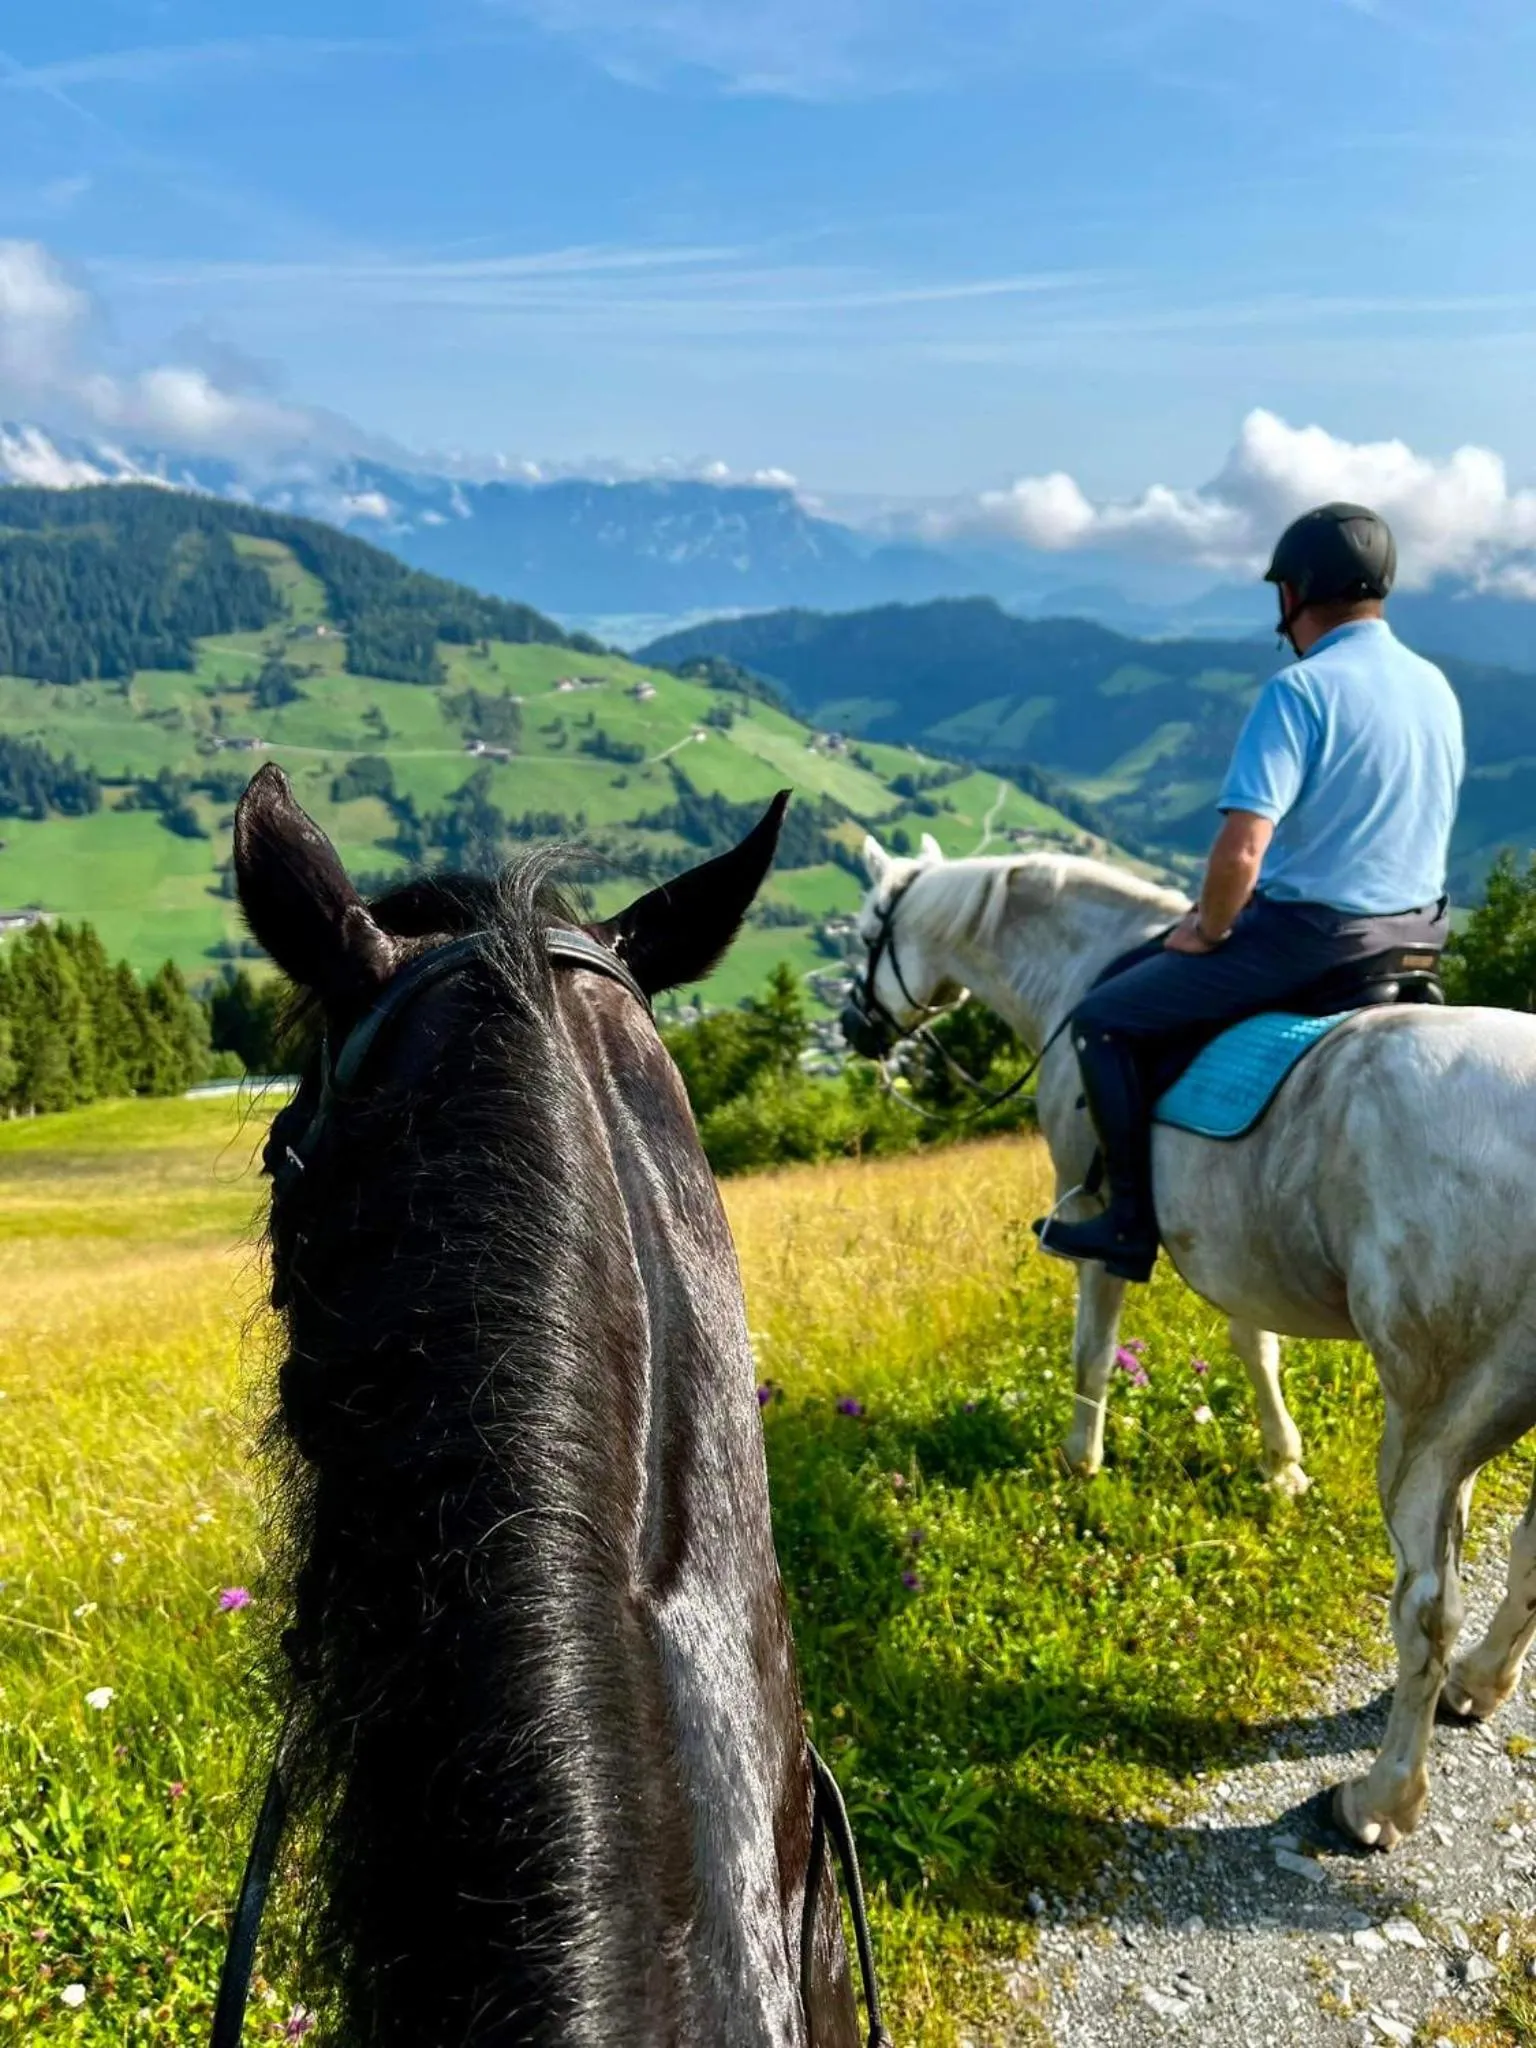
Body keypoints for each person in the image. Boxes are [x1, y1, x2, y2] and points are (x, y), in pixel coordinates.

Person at [1033, 501, 1465, 1284]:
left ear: (1293, 594)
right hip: (1420, 934)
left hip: (1314, 943)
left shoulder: (1300, 692)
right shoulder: (1436, 686)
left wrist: (1207, 930)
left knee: (1103, 1016)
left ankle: (1128, 1225)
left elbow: (1242, 851)